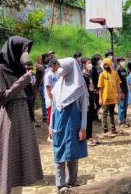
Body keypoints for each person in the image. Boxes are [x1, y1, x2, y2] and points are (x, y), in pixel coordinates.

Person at [0, 36, 43, 194]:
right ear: (14, 49)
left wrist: (38, 76)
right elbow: (1, 97)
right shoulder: (0, 70)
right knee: (9, 159)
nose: (26, 53)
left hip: (25, 119)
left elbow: (32, 93)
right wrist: (24, 79)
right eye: (24, 49)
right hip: (10, 120)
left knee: (21, 161)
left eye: (27, 50)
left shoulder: (22, 69)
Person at [49, 58, 88, 192]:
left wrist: (83, 128)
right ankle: (60, 184)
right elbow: (53, 109)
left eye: (62, 66)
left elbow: (83, 109)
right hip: (59, 125)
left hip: (74, 124)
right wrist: (50, 126)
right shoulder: (58, 86)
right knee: (58, 153)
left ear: (70, 68)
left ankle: (72, 181)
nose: (59, 69)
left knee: (73, 153)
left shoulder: (79, 87)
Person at [98, 58, 122, 137]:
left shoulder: (115, 74)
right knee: (104, 114)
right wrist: (100, 98)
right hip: (105, 97)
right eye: (104, 64)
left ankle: (113, 129)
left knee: (112, 113)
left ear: (110, 64)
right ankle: (105, 130)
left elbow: (118, 84)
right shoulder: (102, 75)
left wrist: (119, 94)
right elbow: (100, 88)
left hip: (113, 97)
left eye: (107, 64)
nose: (106, 66)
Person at [81, 57, 98, 146]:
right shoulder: (82, 75)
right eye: (88, 63)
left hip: (91, 98)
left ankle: (90, 136)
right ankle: (87, 137)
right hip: (86, 99)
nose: (89, 65)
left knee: (90, 117)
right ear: (83, 64)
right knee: (86, 118)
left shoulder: (90, 74)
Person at [44, 58, 60, 141]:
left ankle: (54, 133)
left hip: (57, 98)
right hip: (51, 99)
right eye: (57, 64)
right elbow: (48, 88)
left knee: (56, 116)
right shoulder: (48, 75)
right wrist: (51, 99)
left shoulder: (57, 74)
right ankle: (49, 135)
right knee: (50, 116)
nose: (58, 66)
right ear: (53, 65)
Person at [116, 57, 129, 128]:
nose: (123, 62)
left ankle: (124, 120)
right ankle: (120, 121)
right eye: (121, 61)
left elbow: (125, 80)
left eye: (123, 60)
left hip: (126, 90)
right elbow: (117, 82)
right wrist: (120, 91)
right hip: (121, 90)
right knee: (121, 106)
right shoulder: (117, 70)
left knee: (125, 106)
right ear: (118, 62)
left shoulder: (124, 70)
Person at [91, 54, 102, 123]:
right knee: (96, 103)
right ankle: (94, 117)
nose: (100, 60)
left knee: (98, 104)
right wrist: (96, 89)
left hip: (99, 87)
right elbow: (94, 80)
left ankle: (95, 116)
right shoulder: (93, 69)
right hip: (96, 89)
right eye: (99, 59)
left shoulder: (99, 68)